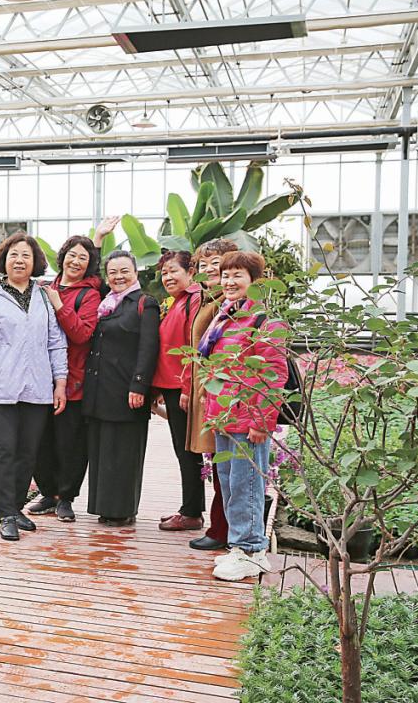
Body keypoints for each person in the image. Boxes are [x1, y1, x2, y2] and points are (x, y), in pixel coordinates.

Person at [0, 232, 68, 542]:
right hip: (0, 388)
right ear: (3, 261)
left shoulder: (44, 297)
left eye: (26, 255)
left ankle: (16, 506)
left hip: (37, 388)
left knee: (28, 452)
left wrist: (60, 384)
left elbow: (55, 342)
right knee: (3, 451)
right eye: (13, 254)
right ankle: (6, 513)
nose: (20, 259)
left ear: (35, 262)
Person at [198, 251, 288, 581]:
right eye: (225, 275)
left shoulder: (265, 322)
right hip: (223, 418)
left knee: (247, 485)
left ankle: (251, 549)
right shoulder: (227, 316)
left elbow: (272, 373)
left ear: (254, 281)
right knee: (231, 486)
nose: (229, 281)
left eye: (238, 275)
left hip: (248, 421)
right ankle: (239, 548)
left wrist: (262, 422)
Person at [26, 235, 102, 522]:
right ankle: (48, 492)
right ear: (62, 257)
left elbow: (82, 334)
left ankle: (66, 497)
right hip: (38, 377)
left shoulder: (89, 295)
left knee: (70, 443)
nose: (76, 261)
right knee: (39, 440)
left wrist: (59, 304)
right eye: (72, 255)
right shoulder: (44, 287)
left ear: (89, 264)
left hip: (73, 380)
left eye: (83, 257)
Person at [83, 250, 160, 526]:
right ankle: (104, 507)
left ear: (135, 273)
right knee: (103, 452)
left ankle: (123, 509)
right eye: (113, 272)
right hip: (100, 390)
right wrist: (98, 240)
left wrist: (140, 386)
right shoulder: (106, 304)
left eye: (124, 271)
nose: (118, 276)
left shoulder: (145, 303)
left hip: (127, 391)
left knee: (125, 452)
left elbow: (148, 348)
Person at [183, 239, 239, 551]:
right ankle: (222, 527)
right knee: (219, 465)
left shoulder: (227, 302)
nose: (208, 270)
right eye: (202, 265)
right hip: (209, 393)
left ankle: (223, 529)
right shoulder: (210, 299)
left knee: (226, 466)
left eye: (215, 263)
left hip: (222, 396)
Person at [152, 250, 206, 532]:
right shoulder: (178, 302)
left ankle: (192, 512)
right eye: (164, 273)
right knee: (184, 451)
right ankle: (190, 507)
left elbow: (194, 346)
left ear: (191, 272)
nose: (168, 277)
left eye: (174, 270)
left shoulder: (194, 300)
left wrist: (187, 387)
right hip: (171, 387)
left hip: (182, 387)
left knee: (188, 452)